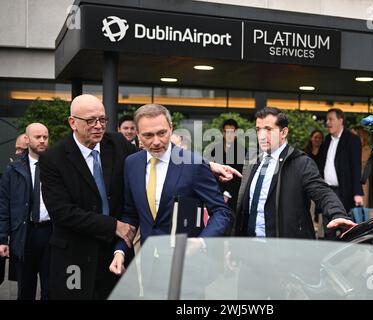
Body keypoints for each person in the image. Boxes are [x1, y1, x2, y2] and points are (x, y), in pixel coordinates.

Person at [109, 104, 231, 276]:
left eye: (162, 133)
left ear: (171, 128)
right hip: (149, 266)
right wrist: (120, 251)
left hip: (189, 268)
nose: (156, 141)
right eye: (148, 135)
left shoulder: (193, 164)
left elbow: (221, 211)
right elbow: (131, 214)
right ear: (138, 135)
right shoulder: (131, 164)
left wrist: (201, 241)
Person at [39, 94, 137, 300]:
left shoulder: (118, 144)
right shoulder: (53, 158)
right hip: (74, 257)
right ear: (72, 122)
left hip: (115, 254)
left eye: (103, 119)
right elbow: (62, 213)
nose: (99, 126)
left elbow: (151, 160)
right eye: (91, 120)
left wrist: (207, 165)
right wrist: (113, 226)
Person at [233, 107, 355, 239]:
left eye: (268, 129)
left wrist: (338, 214)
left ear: (283, 132)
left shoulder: (301, 163)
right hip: (248, 248)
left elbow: (323, 192)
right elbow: (244, 206)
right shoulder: (252, 160)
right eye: (258, 130)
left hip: (285, 250)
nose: (262, 136)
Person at [0, 123, 51, 300]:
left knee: (50, 289)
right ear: (27, 139)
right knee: (25, 289)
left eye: (45, 137)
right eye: (38, 137)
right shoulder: (13, 170)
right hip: (24, 233)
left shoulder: (56, 165)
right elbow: (4, 205)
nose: (43, 141)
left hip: (50, 232)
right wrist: (2, 239)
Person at [318, 108, 364, 213]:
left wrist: (358, 193)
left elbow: (356, 167)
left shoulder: (352, 140)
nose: (327, 123)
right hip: (326, 191)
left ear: (340, 120)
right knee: (328, 225)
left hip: (343, 191)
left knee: (344, 226)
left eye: (330, 119)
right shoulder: (327, 140)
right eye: (327, 120)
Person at [207, 119, 247, 213]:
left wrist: (228, 193)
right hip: (216, 193)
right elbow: (211, 173)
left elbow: (241, 175)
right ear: (223, 132)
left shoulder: (242, 151)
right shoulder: (215, 150)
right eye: (226, 132)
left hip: (234, 195)